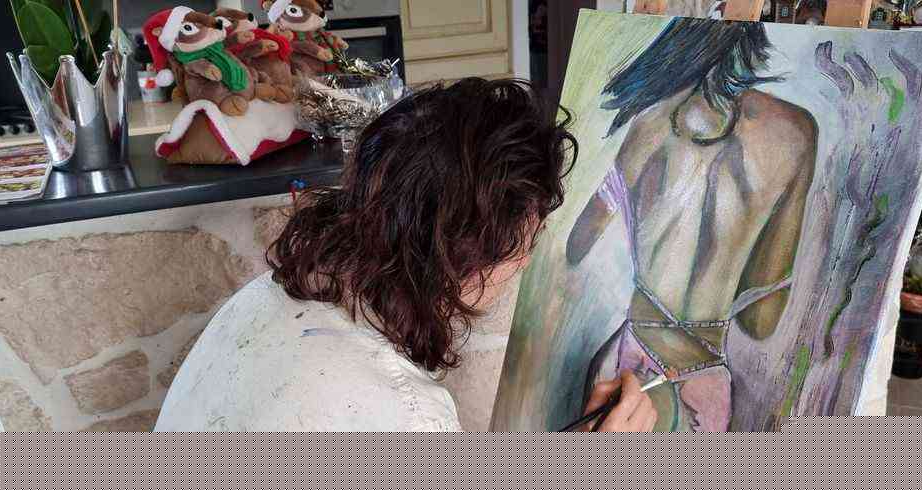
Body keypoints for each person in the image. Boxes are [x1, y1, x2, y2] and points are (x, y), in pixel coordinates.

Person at [155, 78, 658, 432]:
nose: (527, 260)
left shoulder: (261, 298)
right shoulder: (405, 412)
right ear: (467, 254)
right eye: (527, 238)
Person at [566, 19, 817, 431]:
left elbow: (576, 245)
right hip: (706, 382)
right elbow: (760, 323)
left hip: (628, 370)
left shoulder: (649, 121)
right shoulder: (795, 133)